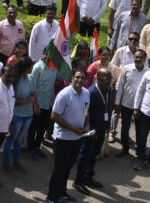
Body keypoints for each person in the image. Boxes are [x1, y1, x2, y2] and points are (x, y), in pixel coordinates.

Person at [45, 69, 89, 203]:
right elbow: (54, 115)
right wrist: (73, 128)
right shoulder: (64, 95)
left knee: (68, 167)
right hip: (63, 139)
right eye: (77, 77)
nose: (80, 80)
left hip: (77, 138)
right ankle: (51, 197)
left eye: (82, 78)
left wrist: (85, 126)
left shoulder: (86, 93)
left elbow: (86, 111)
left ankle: (62, 193)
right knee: (59, 169)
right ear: (72, 79)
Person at [73, 68, 113, 194]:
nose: (105, 80)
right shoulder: (90, 92)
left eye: (108, 77)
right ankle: (78, 181)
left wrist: (107, 126)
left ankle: (88, 177)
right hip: (91, 130)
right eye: (102, 77)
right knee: (85, 155)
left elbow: (108, 108)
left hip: (102, 129)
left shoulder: (109, 90)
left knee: (94, 155)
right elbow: (85, 112)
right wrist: (90, 129)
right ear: (97, 77)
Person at [113, 49, 150, 157]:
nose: (138, 59)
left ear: (145, 59)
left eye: (141, 57)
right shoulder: (127, 69)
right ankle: (125, 149)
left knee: (140, 129)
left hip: (140, 107)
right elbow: (119, 86)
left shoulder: (149, 72)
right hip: (126, 104)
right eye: (136, 57)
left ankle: (139, 150)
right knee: (124, 128)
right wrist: (117, 103)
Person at [3, 57, 35, 172]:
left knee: (19, 139)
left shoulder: (31, 78)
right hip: (16, 115)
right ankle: (6, 164)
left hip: (28, 114)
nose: (32, 68)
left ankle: (17, 162)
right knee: (11, 139)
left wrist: (34, 98)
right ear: (26, 68)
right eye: (31, 66)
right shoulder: (15, 81)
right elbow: (13, 101)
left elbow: (32, 93)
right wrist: (27, 101)